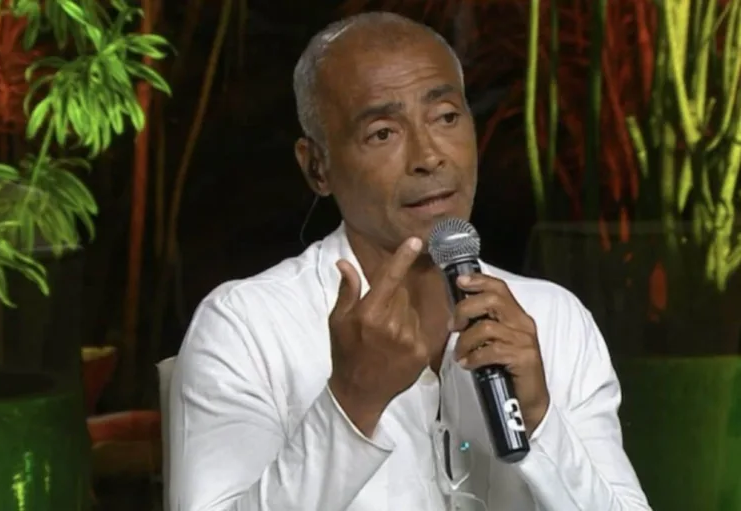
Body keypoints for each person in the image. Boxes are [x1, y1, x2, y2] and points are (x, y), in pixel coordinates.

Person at [167, 11, 651, 511]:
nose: (429, 156)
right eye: (383, 133)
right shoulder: (247, 326)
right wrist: (351, 405)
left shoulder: (553, 319)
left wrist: (539, 418)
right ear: (317, 167)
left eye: (446, 117)